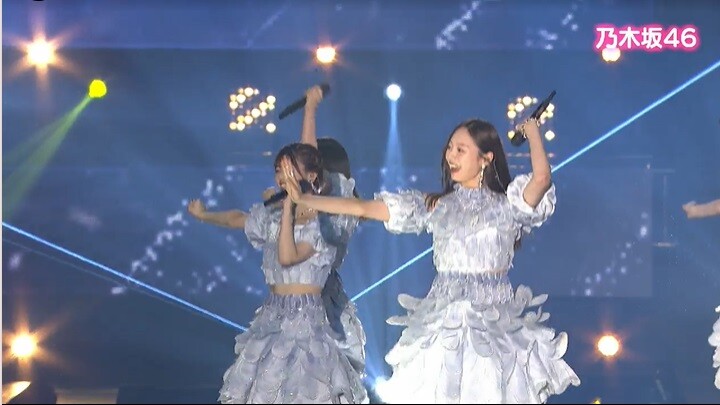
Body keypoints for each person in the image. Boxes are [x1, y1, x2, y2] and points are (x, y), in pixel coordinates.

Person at [281, 118, 581, 403]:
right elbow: (363, 208)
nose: (451, 156)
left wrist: (532, 131)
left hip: (493, 325)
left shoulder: (508, 205)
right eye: (450, 148)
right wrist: (305, 199)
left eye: (460, 150)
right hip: (443, 324)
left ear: (486, 159)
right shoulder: (435, 205)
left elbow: (541, 179)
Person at [189, 144, 367, 404]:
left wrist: (288, 209)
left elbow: (288, 257)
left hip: (307, 322)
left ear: (312, 175)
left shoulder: (323, 224)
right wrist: (204, 215)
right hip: (272, 317)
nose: (281, 176)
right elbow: (238, 219)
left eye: (288, 169)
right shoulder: (273, 215)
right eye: (278, 170)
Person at [301, 85, 367, 375]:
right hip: (321, 293)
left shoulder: (332, 194)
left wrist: (310, 109)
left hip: (311, 297)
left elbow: (306, 161)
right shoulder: (348, 202)